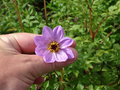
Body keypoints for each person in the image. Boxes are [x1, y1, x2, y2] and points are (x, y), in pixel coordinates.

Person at [0, 33, 77, 90]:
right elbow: (41, 53)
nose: (53, 46)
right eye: (52, 46)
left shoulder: (60, 44)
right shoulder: (45, 52)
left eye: (54, 45)